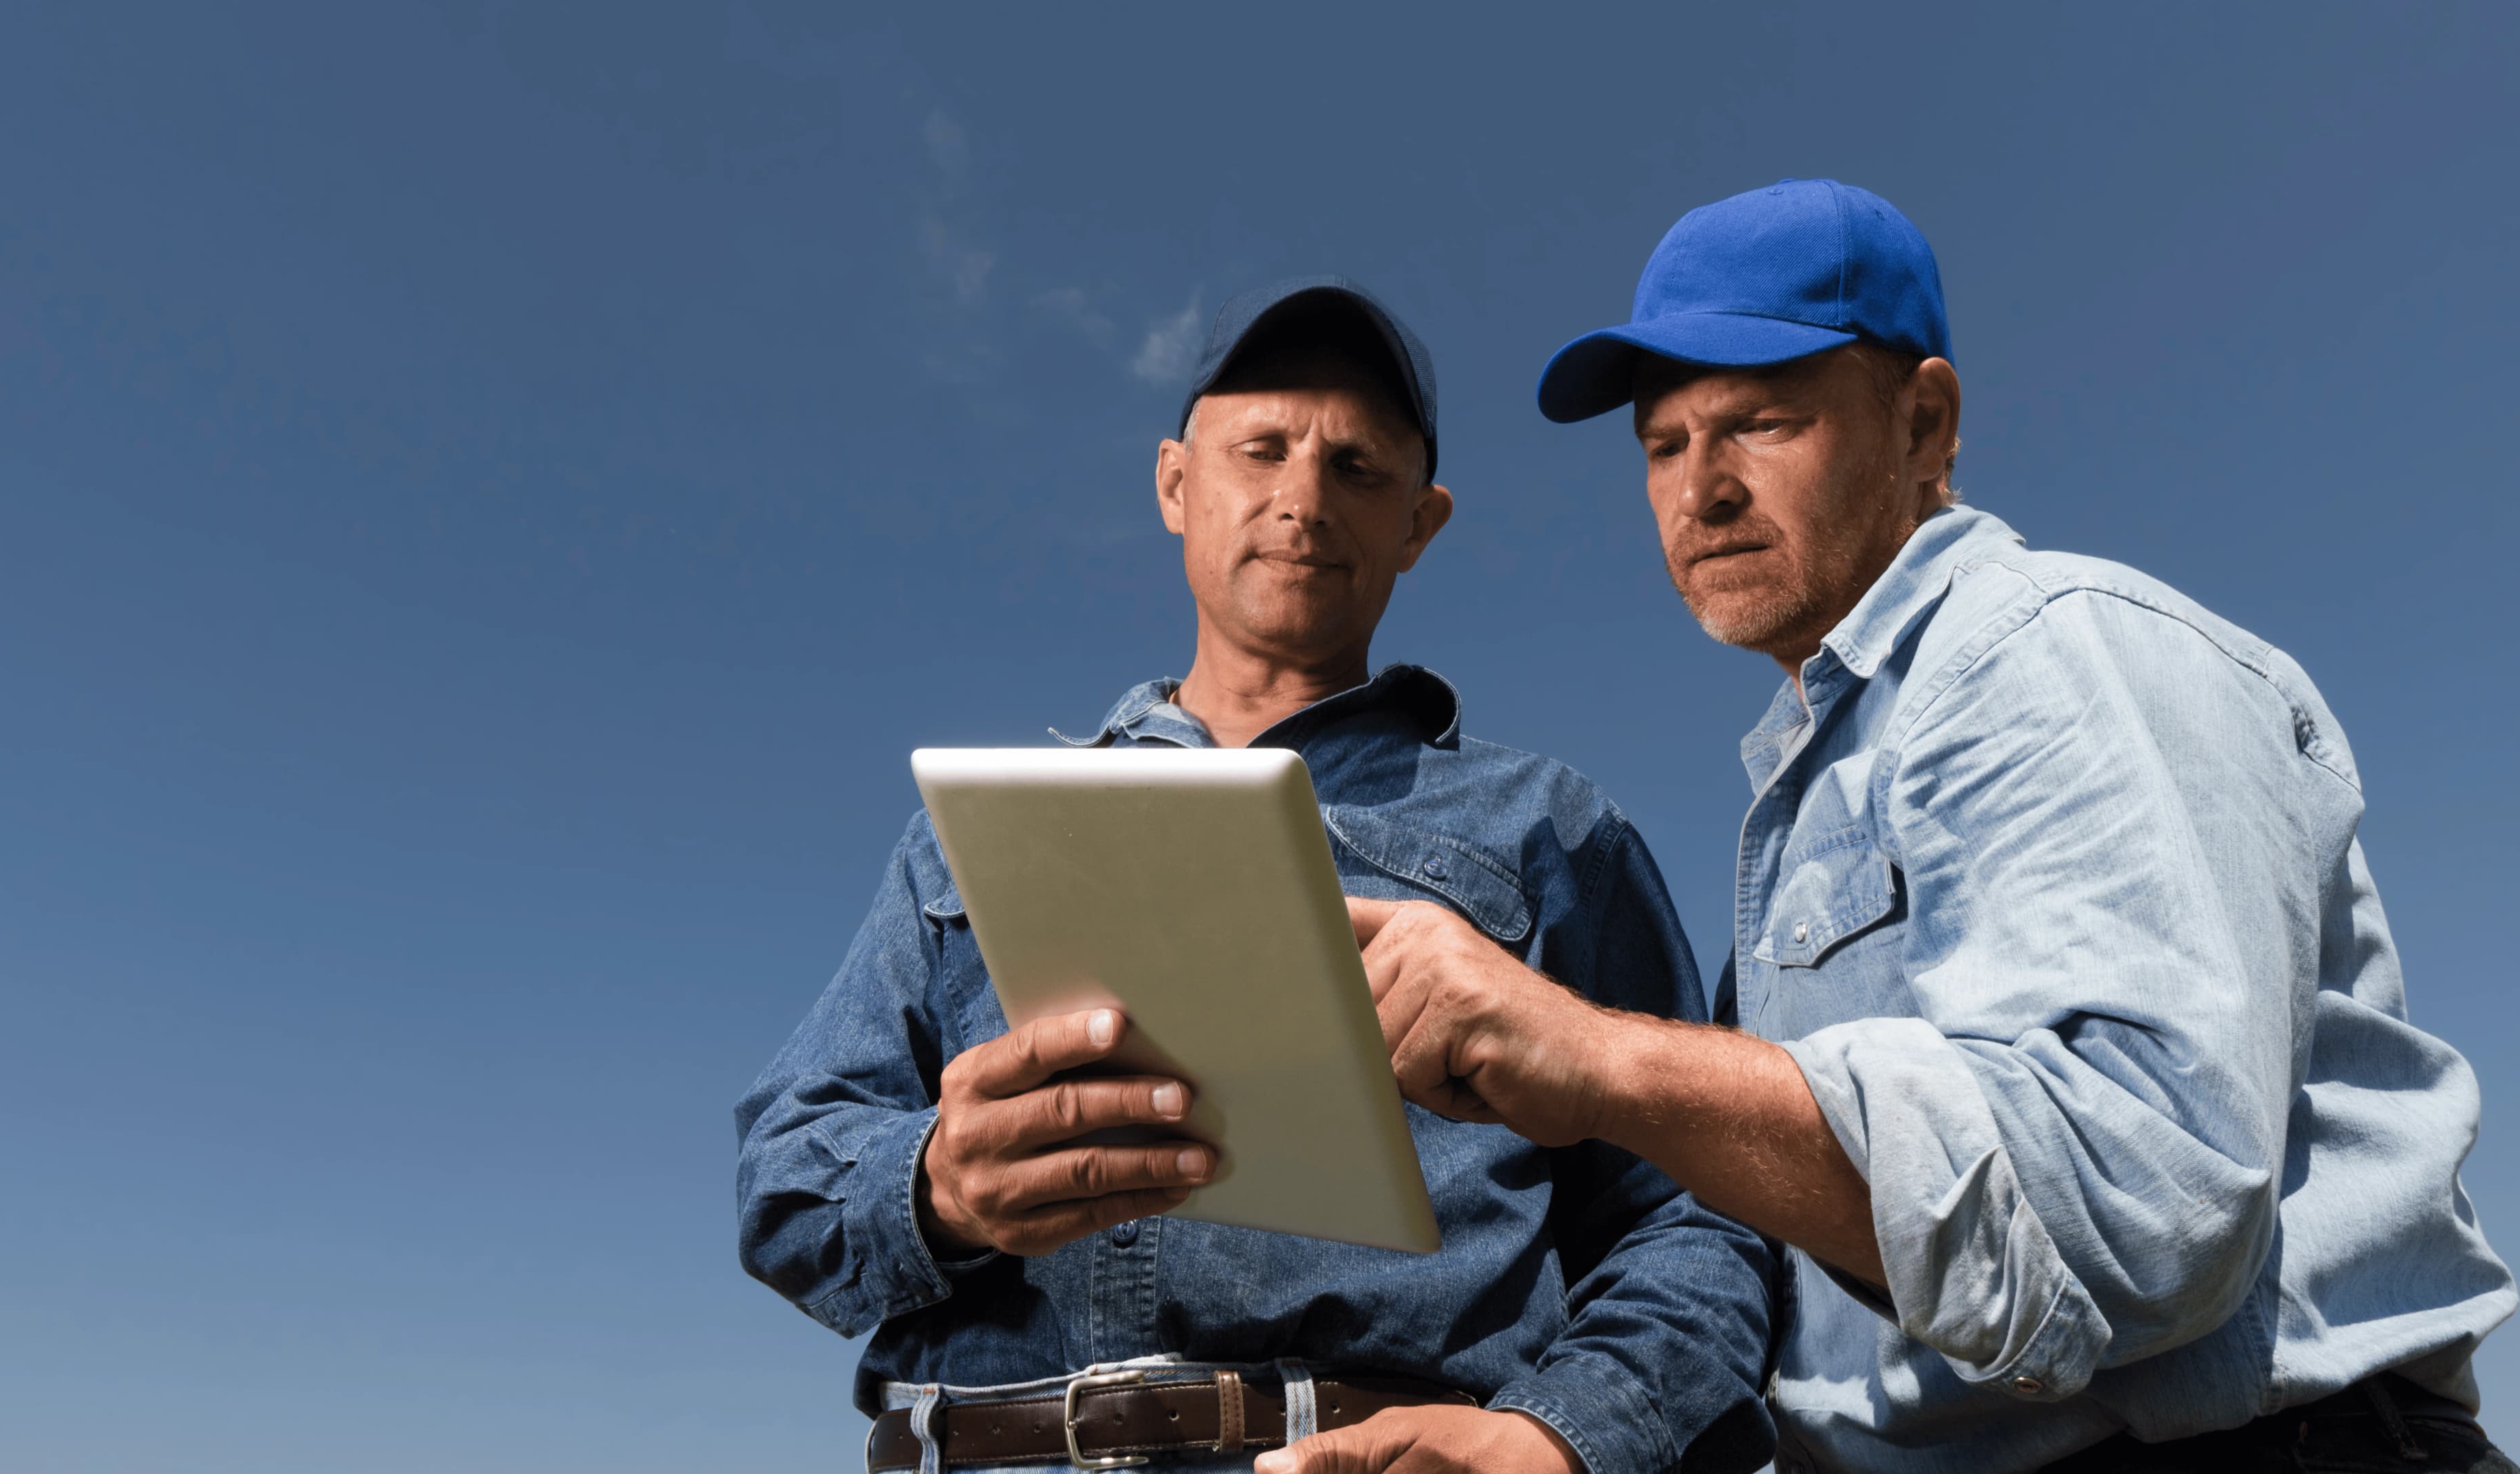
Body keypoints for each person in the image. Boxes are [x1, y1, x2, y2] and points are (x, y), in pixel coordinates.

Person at [1285, 181, 2519, 1474]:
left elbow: (2138, 1198)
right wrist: (1547, 1439)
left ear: (1924, 423)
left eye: (1762, 422)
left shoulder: (2044, 646)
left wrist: (1601, 1059)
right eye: (1664, 444)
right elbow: (1777, 1255)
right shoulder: (1820, 779)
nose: (1701, 492)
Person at [734, 278, 1776, 1474]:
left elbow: (1697, 1217)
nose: (1301, 500)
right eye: (1263, 450)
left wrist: (1557, 1438)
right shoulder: (967, 835)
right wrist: (933, 1189)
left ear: (1420, 526)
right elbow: (785, 1179)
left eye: (1358, 470)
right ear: (1177, 483)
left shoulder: (1552, 829)